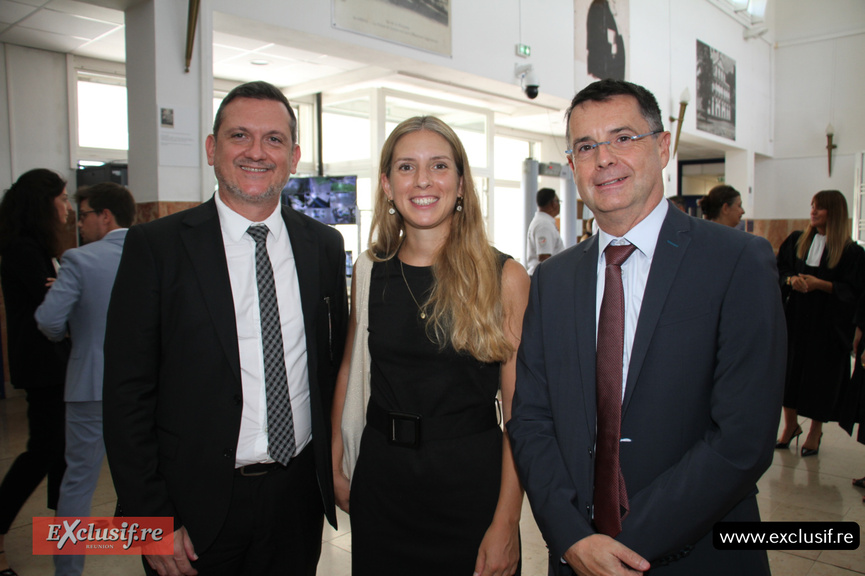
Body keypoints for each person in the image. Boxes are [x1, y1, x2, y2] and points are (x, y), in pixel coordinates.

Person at [507, 79, 786, 576]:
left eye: (623, 138)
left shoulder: (736, 261)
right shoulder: (552, 280)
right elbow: (530, 419)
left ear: (662, 147)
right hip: (575, 556)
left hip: (698, 556)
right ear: (572, 165)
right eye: (585, 147)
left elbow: (743, 438)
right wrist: (573, 539)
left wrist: (618, 549)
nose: (604, 158)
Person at [102, 81, 348, 576]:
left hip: (297, 496)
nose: (257, 152)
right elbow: (127, 393)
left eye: (274, 139)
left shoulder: (322, 245)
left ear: (294, 157)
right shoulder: (158, 247)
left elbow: (331, 366)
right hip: (194, 505)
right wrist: (150, 520)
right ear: (212, 148)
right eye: (240, 136)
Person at [330, 116, 529, 576]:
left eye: (439, 166)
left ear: (461, 184)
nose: (423, 180)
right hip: (383, 484)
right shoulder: (369, 270)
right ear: (386, 185)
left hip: (471, 489)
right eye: (406, 167)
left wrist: (507, 521)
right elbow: (349, 369)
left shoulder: (504, 277)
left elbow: (520, 415)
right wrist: (337, 463)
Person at [35, 182, 135, 576]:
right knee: (152, 476)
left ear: (105, 216)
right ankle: (159, 554)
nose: (79, 224)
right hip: (145, 387)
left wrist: (74, 325)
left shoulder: (78, 260)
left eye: (85, 216)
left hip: (90, 384)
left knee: (78, 481)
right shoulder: (155, 253)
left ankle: (68, 570)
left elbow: (48, 321)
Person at [0, 168, 71, 576]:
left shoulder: (37, 247)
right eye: (62, 199)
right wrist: (64, 290)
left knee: (61, 452)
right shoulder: (23, 249)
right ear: (43, 203)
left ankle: (65, 533)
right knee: (43, 452)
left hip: (54, 365)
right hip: (43, 367)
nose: (67, 208)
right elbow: (52, 309)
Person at [776, 190, 865, 457]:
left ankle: (815, 431)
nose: (813, 212)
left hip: (828, 326)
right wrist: (791, 280)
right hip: (796, 319)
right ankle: (790, 425)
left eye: (820, 208)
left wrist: (822, 285)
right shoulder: (797, 240)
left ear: (834, 212)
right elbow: (780, 269)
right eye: (812, 206)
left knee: (821, 380)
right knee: (789, 373)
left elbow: (855, 291)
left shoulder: (851, 252)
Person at [526, 188, 564, 275]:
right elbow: (544, 257)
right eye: (558, 202)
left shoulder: (543, 222)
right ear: (553, 203)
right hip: (545, 277)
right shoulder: (544, 225)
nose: (559, 205)